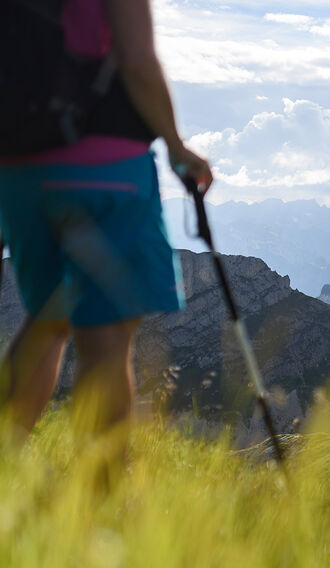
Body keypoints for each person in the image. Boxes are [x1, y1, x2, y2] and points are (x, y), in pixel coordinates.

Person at [0, 0, 212, 443]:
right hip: (107, 170)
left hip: (21, 170)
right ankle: (102, 502)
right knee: (107, 342)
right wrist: (176, 145)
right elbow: (137, 60)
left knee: (46, 321)